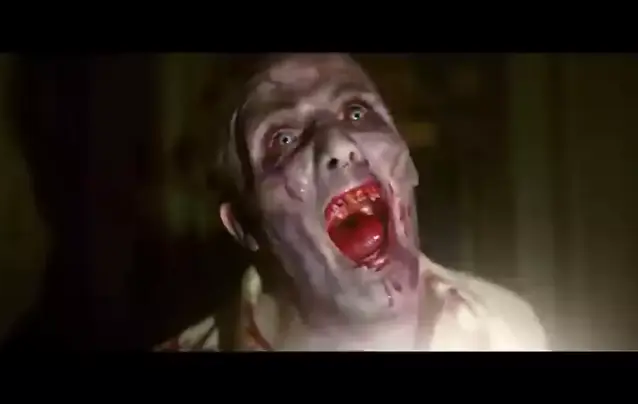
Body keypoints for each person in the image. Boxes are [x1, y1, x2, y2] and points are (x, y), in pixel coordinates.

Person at [157, 53, 548, 351]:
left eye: (357, 112)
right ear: (244, 225)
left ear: (407, 162)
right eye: (283, 139)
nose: (339, 144)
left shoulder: (509, 326)